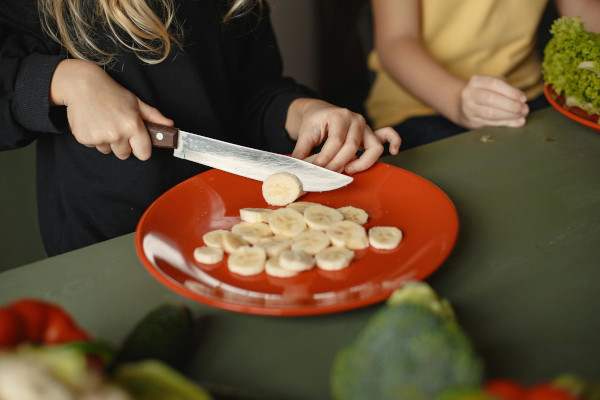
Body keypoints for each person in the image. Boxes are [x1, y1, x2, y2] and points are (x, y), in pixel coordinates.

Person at [0, 0, 400, 256]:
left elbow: (252, 93)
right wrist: (64, 82)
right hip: (106, 246)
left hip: (231, 230)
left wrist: (303, 111)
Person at [366, 0, 600, 150]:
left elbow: (579, 10)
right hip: (421, 105)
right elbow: (396, 40)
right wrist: (457, 100)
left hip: (529, 95)